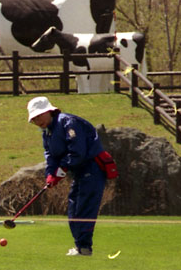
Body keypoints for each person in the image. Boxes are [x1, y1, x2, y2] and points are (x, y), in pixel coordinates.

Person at [27, 96, 116, 256]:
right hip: (78, 171)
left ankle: (84, 247)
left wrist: (60, 173)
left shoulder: (68, 122)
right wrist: (50, 174)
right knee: (74, 207)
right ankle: (80, 245)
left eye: (39, 116)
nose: (37, 120)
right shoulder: (47, 132)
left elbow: (77, 152)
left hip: (92, 167)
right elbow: (50, 156)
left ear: (49, 111)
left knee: (84, 207)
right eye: (34, 119)